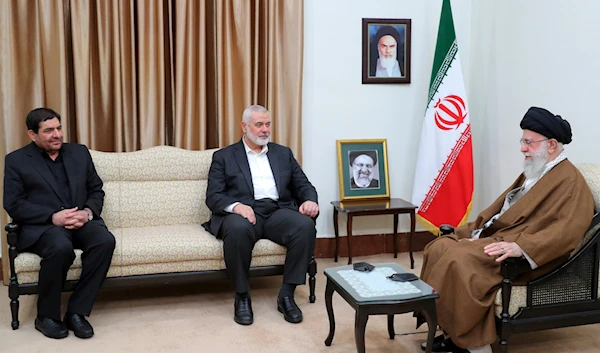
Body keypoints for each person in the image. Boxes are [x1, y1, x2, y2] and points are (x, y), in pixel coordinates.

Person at [418, 107, 594, 353]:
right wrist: (473, 231)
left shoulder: (571, 182)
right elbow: (501, 210)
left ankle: (474, 345)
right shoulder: (538, 171)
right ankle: (449, 332)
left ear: (552, 145)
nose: (522, 148)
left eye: (528, 142)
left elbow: (567, 232)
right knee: (440, 246)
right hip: (500, 238)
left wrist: (521, 248)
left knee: (459, 259)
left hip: (526, 255)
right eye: (523, 141)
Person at [3, 108, 116, 339]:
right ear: (32, 134)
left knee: (104, 241)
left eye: (58, 128)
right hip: (44, 227)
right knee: (60, 247)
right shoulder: (16, 160)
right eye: (48, 131)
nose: (56, 134)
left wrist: (87, 212)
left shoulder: (79, 152)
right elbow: (13, 204)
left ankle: (76, 312)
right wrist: (52, 217)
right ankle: (47, 316)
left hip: (80, 221)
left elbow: (96, 189)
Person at [203, 104, 319, 326]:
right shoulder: (224, 156)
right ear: (244, 126)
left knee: (305, 226)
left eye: (268, 124)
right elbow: (213, 196)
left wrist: (309, 200)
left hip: (277, 211)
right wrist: (236, 206)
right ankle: (242, 296)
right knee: (236, 229)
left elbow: (304, 185)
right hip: (245, 213)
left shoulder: (283, 153)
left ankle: (286, 295)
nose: (265, 129)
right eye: (259, 125)